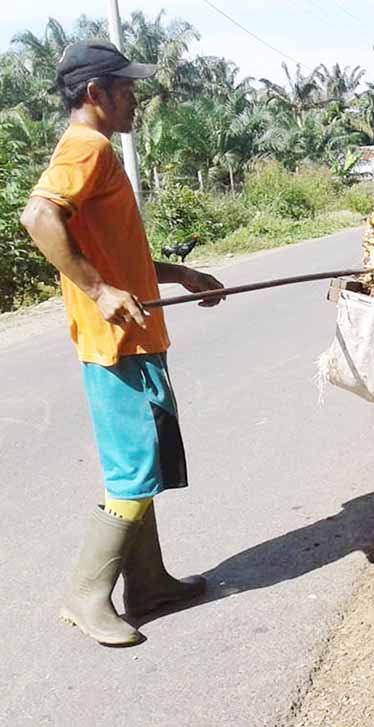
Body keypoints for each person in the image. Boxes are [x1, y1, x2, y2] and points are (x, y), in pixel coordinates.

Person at [20, 40, 226, 646]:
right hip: (117, 346)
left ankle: (150, 583)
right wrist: (101, 290)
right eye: (126, 88)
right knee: (133, 470)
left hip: (133, 338)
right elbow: (38, 218)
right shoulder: (86, 146)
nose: (135, 98)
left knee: (147, 462)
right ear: (96, 94)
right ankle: (86, 596)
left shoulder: (97, 150)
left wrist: (178, 273)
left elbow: (114, 252)